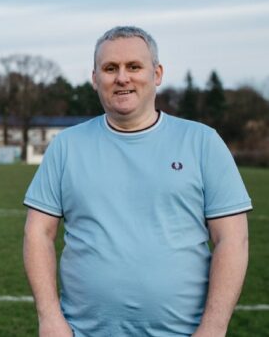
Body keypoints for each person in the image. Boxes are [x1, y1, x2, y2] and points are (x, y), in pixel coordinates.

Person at [23, 26, 251, 337]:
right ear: (95, 78)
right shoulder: (66, 146)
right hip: (83, 332)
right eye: (110, 68)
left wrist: (213, 327)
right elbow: (38, 232)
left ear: (156, 74)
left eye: (134, 66)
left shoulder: (202, 142)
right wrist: (49, 319)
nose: (122, 78)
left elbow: (232, 240)